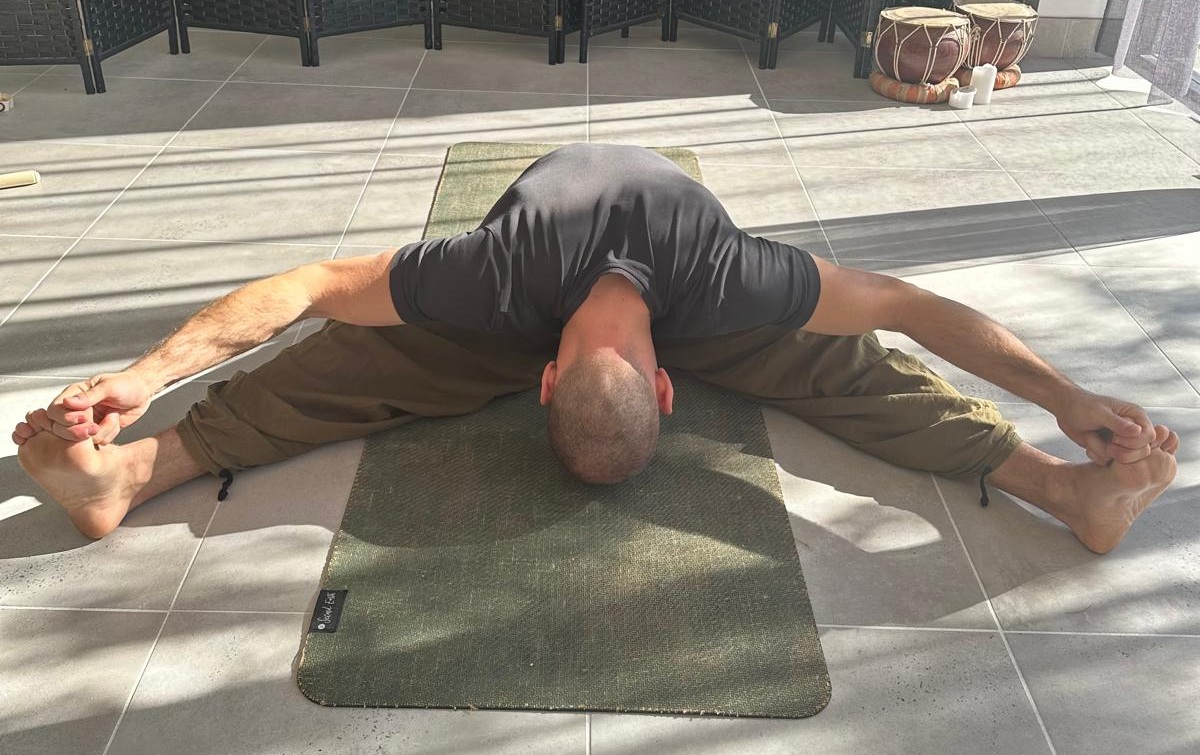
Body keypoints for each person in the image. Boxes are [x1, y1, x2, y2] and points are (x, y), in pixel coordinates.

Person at [12, 144, 1178, 553]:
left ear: (542, 380)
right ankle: (1056, 484)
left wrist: (146, 374)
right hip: (653, 295)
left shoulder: (497, 279)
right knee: (849, 366)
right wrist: (1066, 395)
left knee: (348, 359)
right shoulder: (716, 283)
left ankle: (143, 465)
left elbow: (311, 287)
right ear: (672, 385)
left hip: (572, 296)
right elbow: (909, 304)